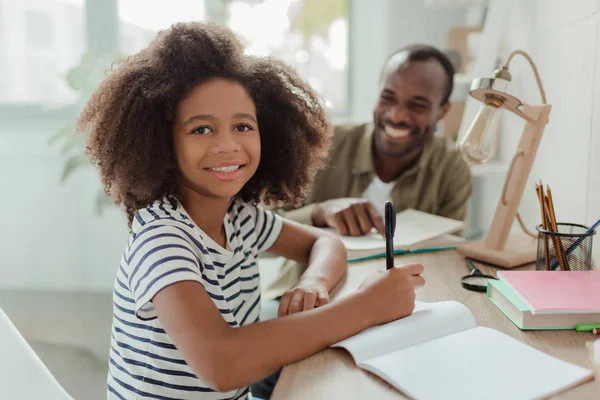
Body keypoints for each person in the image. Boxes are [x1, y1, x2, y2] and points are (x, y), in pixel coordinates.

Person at [78, 22, 425, 400]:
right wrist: (366, 307)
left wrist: (314, 283)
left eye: (243, 126)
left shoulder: (239, 216)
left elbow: (324, 244)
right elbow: (222, 364)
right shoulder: (162, 239)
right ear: (160, 143)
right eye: (200, 130)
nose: (227, 145)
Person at [265, 44, 472, 301]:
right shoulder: (322, 146)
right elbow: (253, 237)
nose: (397, 115)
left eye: (417, 106)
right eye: (388, 97)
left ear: (442, 111)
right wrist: (318, 213)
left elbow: (447, 255)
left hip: (410, 301)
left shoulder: (451, 168)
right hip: (308, 300)